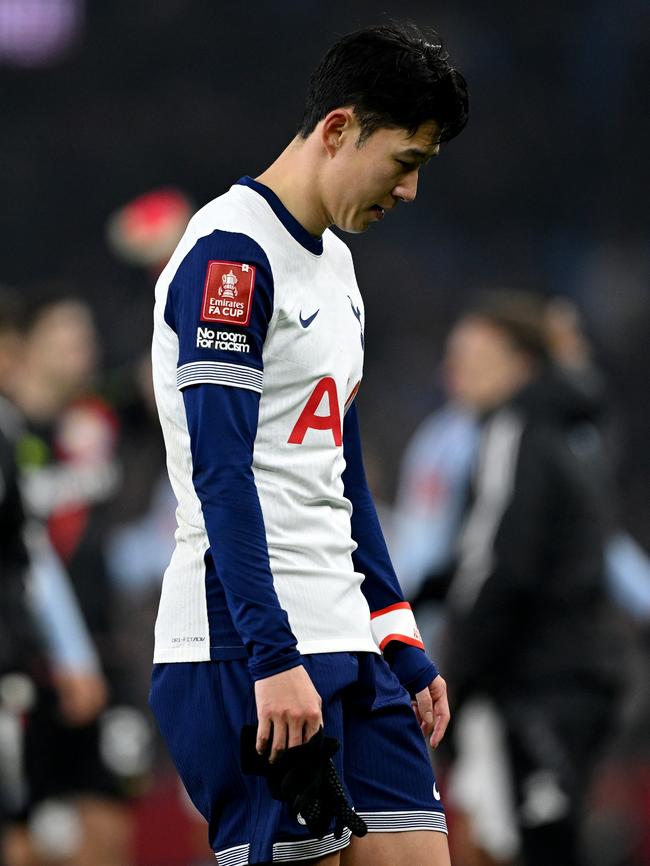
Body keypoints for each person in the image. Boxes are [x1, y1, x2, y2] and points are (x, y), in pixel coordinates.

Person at [148, 22, 468, 866]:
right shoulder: (230, 258)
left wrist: (397, 632)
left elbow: (342, 474)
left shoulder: (336, 267)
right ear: (338, 129)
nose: (408, 193)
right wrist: (272, 655)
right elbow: (223, 477)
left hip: (345, 637)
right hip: (246, 643)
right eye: (406, 162)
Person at [440, 293, 624, 866]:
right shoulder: (566, 429)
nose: (455, 372)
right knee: (546, 840)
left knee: (530, 844)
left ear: (520, 363)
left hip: (537, 680)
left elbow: (496, 566)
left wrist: (455, 674)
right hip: (580, 670)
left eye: (471, 354)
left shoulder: (513, 430)